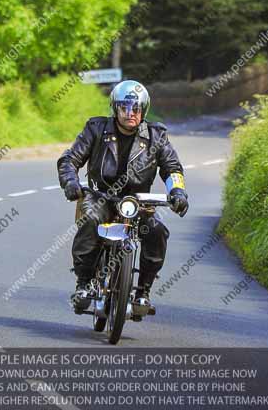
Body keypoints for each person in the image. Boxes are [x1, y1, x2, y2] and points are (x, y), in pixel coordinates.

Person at [57, 79, 188, 312]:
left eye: (136, 108)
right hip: (100, 195)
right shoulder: (96, 129)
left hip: (139, 202)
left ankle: (143, 293)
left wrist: (177, 191)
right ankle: (83, 284)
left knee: (157, 231)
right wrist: (70, 182)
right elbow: (69, 160)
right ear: (115, 108)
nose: (130, 113)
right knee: (90, 220)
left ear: (143, 110)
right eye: (125, 108)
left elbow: (172, 168)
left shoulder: (157, 136)